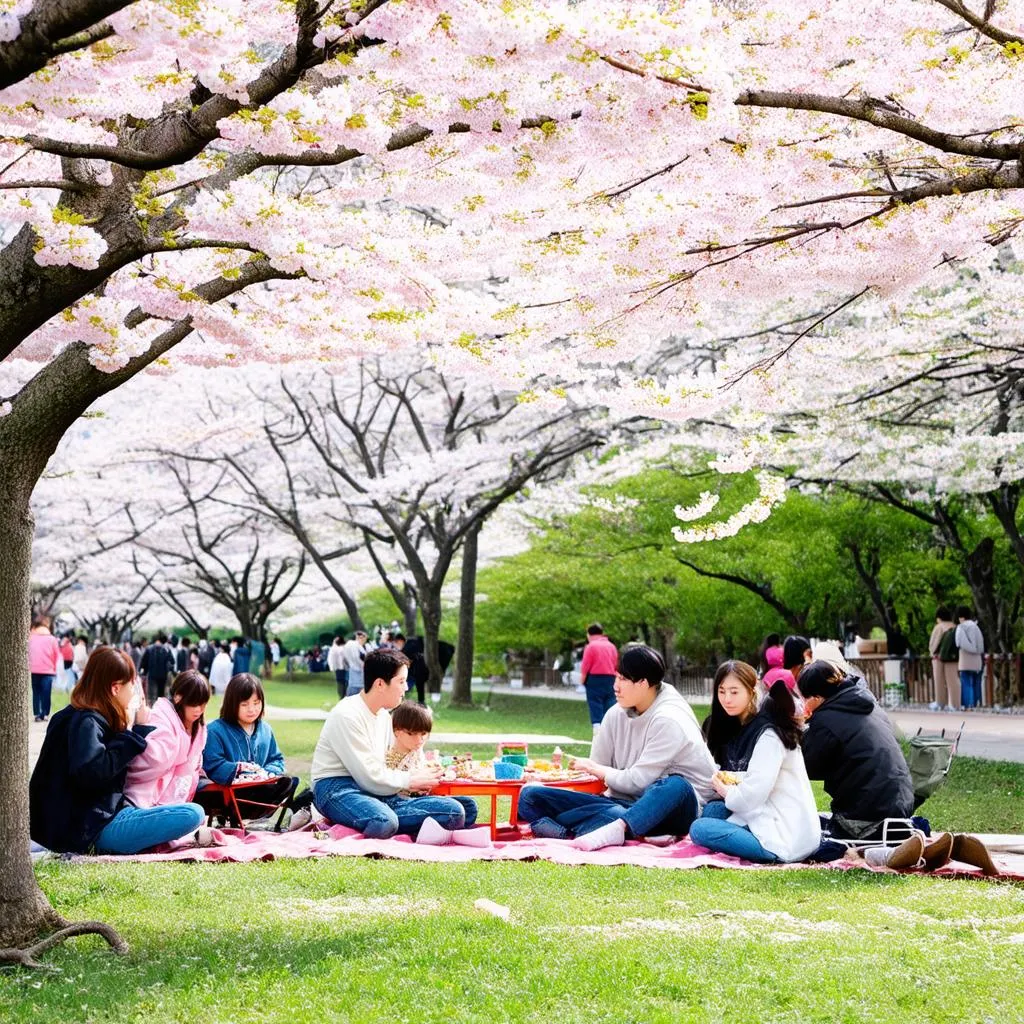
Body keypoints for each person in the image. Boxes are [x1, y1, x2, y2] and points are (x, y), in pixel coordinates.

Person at [516, 644, 717, 850]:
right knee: (530, 796)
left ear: (643, 683)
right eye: (616, 677)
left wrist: (597, 770)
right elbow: (598, 772)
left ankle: (606, 827)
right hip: (621, 805)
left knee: (675, 785)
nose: (615, 686)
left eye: (622, 679)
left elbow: (636, 782)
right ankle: (599, 828)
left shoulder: (669, 720)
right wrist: (569, 780)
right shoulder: (615, 714)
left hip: (673, 808)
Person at [29, 646, 206, 854]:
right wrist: (130, 732)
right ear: (115, 688)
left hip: (72, 825)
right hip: (90, 829)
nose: (133, 693)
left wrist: (133, 729)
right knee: (192, 813)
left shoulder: (70, 716)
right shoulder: (87, 722)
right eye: (131, 685)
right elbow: (92, 774)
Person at [311, 648, 476, 838]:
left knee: (463, 809)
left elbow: (385, 768)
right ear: (380, 684)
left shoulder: (382, 716)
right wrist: (410, 780)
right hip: (335, 788)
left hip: (373, 791)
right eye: (401, 681)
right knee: (384, 821)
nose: (406, 688)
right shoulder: (347, 715)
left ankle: (376, 818)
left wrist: (422, 770)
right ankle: (359, 823)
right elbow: (368, 776)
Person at [690, 662, 819, 863]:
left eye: (734, 692)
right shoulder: (757, 729)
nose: (726, 699)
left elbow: (752, 796)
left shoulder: (769, 736)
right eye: (722, 691)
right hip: (768, 816)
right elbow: (758, 779)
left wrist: (725, 790)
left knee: (700, 829)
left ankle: (763, 851)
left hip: (783, 838)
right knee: (713, 811)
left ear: (752, 692)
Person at [797, 659, 914, 841]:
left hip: (864, 816)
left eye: (804, 698)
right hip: (901, 810)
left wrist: (802, 728)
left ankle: (878, 853)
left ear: (817, 698)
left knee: (807, 831)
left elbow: (806, 767)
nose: (803, 702)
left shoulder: (826, 720)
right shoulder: (870, 705)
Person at [197, 673, 298, 823]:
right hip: (231, 794)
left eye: (256, 703)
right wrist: (239, 770)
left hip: (260, 787)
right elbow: (213, 764)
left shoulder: (265, 729)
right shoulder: (215, 730)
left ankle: (267, 811)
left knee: (290, 782)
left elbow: (276, 759)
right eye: (244, 704)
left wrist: (266, 773)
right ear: (232, 704)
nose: (251, 709)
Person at [124, 670, 210, 810]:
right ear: (178, 697)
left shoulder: (199, 728)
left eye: (203, 704)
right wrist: (170, 747)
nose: (199, 710)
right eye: (194, 704)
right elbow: (150, 760)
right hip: (148, 795)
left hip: (181, 795)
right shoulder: (161, 719)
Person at [579, 623, 618, 736]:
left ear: (589, 634)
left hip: (594, 678)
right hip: (610, 678)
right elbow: (616, 664)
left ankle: (597, 730)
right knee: (610, 702)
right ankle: (610, 729)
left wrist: (582, 679)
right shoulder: (612, 646)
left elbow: (586, 665)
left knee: (595, 703)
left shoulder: (591, 646)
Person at [29, 615, 61, 722]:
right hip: (48, 670)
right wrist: (54, 667)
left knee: (36, 693)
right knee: (46, 693)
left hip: (34, 669)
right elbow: (57, 655)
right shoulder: (52, 639)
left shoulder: (31, 638)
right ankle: (45, 713)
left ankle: (37, 714)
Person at [928, 606, 959, 711]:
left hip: (939, 658)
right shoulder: (954, 626)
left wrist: (931, 652)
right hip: (953, 657)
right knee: (953, 680)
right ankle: (954, 704)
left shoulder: (939, 627)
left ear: (938, 617)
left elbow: (934, 643)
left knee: (939, 681)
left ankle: (940, 702)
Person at [954, 606, 985, 709]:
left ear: (960, 616)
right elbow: (980, 645)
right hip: (977, 660)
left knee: (966, 682)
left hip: (965, 659)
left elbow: (958, 643)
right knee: (976, 682)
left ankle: (968, 704)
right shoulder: (976, 627)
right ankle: (977, 703)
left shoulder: (961, 627)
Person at [139, 632, 174, 704]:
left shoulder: (149, 649)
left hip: (152, 675)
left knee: (151, 695)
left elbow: (143, 662)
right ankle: (160, 710)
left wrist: (144, 672)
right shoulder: (167, 649)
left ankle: (152, 710)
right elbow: (172, 662)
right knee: (161, 695)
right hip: (163, 675)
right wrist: (168, 669)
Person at [342, 631, 368, 696]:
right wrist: (363, 665)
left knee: (352, 689)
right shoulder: (356, 645)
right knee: (356, 691)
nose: (365, 641)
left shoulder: (348, 644)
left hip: (352, 670)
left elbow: (345, 657)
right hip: (359, 672)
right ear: (361, 637)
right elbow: (356, 657)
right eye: (365, 639)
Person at [327, 635, 347, 700]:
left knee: (343, 683)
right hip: (339, 668)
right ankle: (342, 697)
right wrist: (332, 667)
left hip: (345, 668)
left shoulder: (342, 647)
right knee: (341, 683)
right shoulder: (334, 648)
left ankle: (343, 697)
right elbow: (330, 659)